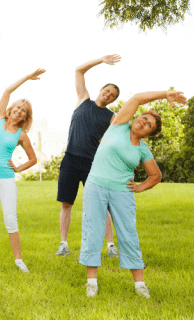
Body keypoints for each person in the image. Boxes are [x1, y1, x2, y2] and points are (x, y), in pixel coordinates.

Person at [79, 90, 186, 298]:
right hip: (96, 185)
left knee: (129, 234)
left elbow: (155, 176)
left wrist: (139, 187)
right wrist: (165, 94)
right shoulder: (117, 126)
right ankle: (91, 283)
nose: (143, 123)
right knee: (92, 230)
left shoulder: (143, 150)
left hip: (122, 192)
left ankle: (140, 285)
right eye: (143, 118)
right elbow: (136, 99)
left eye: (148, 125)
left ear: (148, 134)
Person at [0, 68, 43, 274]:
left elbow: (33, 158)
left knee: (10, 218)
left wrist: (18, 168)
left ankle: (18, 260)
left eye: (24, 110)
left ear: (25, 117)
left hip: (5, 177)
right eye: (18, 107)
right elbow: (7, 90)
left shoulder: (22, 135)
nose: (19, 111)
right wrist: (28, 77)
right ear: (11, 108)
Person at [55, 54, 122, 257]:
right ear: (101, 90)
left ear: (113, 100)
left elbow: (121, 134)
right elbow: (79, 70)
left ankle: (110, 246)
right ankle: (64, 245)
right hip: (70, 159)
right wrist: (101, 60)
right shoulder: (84, 99)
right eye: (107, 90)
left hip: (93, 163)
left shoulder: (112, 117)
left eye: (112, 95)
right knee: (67, 203)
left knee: (102, 204)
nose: (108, 95)